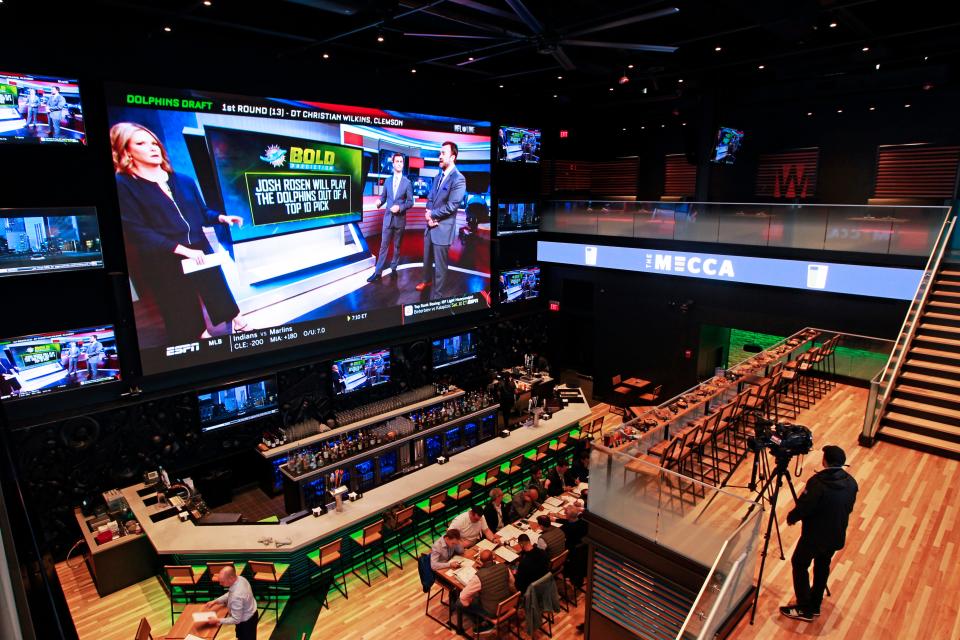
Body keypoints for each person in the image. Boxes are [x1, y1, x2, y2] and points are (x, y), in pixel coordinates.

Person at [110, 122, 249, 343]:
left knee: (216, 287)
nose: (152, 147)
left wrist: (221, 218)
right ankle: (195, 337)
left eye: (154, 142)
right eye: (141, 143)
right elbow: (137, 229)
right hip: (163, 255)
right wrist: (182, 250)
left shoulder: (183, 179)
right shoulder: (123, 184)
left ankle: (236, 321)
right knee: (178, 303)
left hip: (198, 246)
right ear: (126, 150)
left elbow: (202, 212)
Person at [780, 445, 858, 622]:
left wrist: (792, 517)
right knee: (823, 565)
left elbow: (805, 507)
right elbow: (849, 508)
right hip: (836, 536)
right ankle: (815, 604)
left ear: (825, 461)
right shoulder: (852, 483)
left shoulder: (817, 483)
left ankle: (804, 607)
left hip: (814, 537)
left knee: (799, 564)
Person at [417, 141, 466, 300]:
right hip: (430, 226)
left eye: (443, 153)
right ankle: (426, 281)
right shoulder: (438, 176)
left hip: (442, 228)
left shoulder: (458, 179)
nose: (439, 156)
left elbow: (452, 206)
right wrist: (428, 214)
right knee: (427, 259)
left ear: (453, 157)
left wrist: (432, 215)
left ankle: (437, 296)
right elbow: (430, 198)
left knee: (440, 266)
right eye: (440, 153)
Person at [368, 153, 413, 281]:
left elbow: (410, 202)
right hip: (388, 220)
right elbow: (383, 197)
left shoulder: (407, 183)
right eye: (397, 161)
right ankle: (378, 272)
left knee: (397, 246)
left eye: (401, 161)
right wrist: (379, 202)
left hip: (400, 220)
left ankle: (394, 267)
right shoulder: (387, 181)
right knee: (383, 246)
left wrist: (400, 207)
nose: (399, 163)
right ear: (393, 164)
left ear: (402, 164)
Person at [458, 549, 517, 624]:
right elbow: (513, 584)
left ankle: (481, 624)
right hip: (508, 604)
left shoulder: (479, 577)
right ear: (493, 557)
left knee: (459, 603)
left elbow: (463, 597)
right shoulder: (504, 567)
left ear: (481, 561)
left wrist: (469, 602)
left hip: (493, 612)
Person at [203, 566, 258, 640]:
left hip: (246, 622)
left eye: (222, 581)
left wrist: (218, 620)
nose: (220, 584)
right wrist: (215, 601)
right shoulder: (241, 579)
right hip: (251, 615)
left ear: (231, 578)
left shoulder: (237, 596)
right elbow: (230, 593)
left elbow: (236, 619)